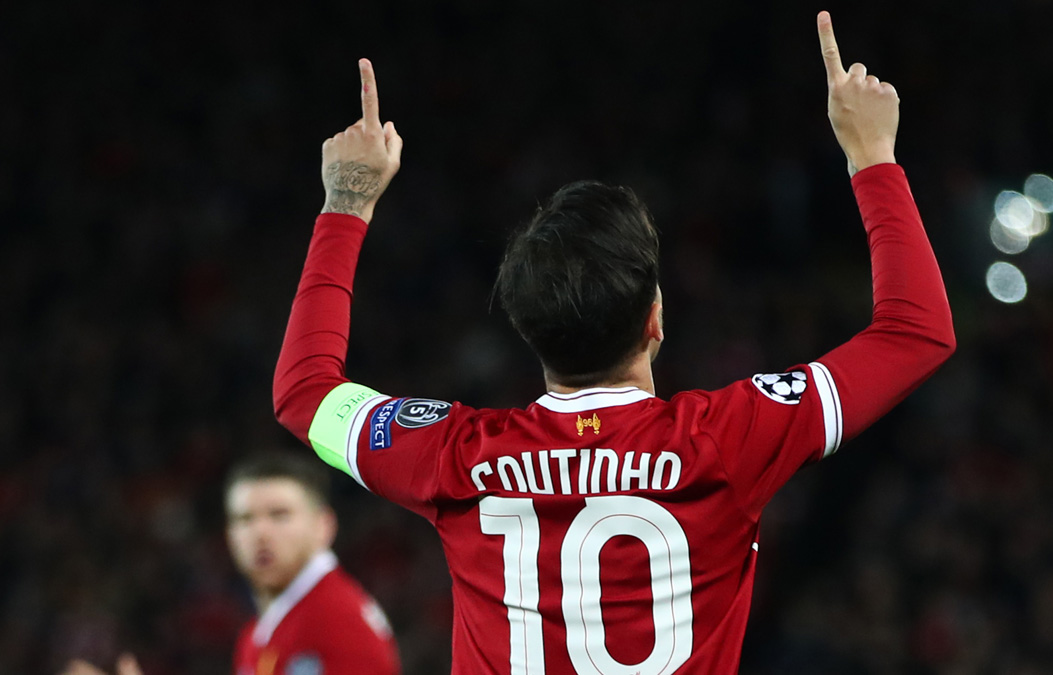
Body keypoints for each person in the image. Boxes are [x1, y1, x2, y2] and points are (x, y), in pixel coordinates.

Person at [273, 10, 954, 674]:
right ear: (656, 318)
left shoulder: (454, 456)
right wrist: (872, 154)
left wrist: (347, 203)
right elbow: (916, 331)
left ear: (526, 329)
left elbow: (305, 392)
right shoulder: (729, 439)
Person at [63, 454, 401, 675]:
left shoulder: (338, 623)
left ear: (324, 526)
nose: (261, 533)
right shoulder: (258, 632)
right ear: (229, 534)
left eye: (279, 515)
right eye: (245, 519)